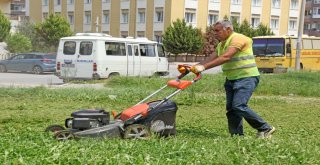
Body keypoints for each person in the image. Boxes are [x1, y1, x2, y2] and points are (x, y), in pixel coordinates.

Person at [190, 20, 275, 138]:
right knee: (231, 109)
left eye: (218, 31)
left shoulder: (238, 39)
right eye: (214, 31)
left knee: (239, 106)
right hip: (231, 79)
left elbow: (226, 57)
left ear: (228, 29)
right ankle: (237, 136)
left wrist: (203, 67)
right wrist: (193, 67)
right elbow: (210, 58)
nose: (215, 34)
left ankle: (265, 128)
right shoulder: (222, 44)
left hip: (246, 77)